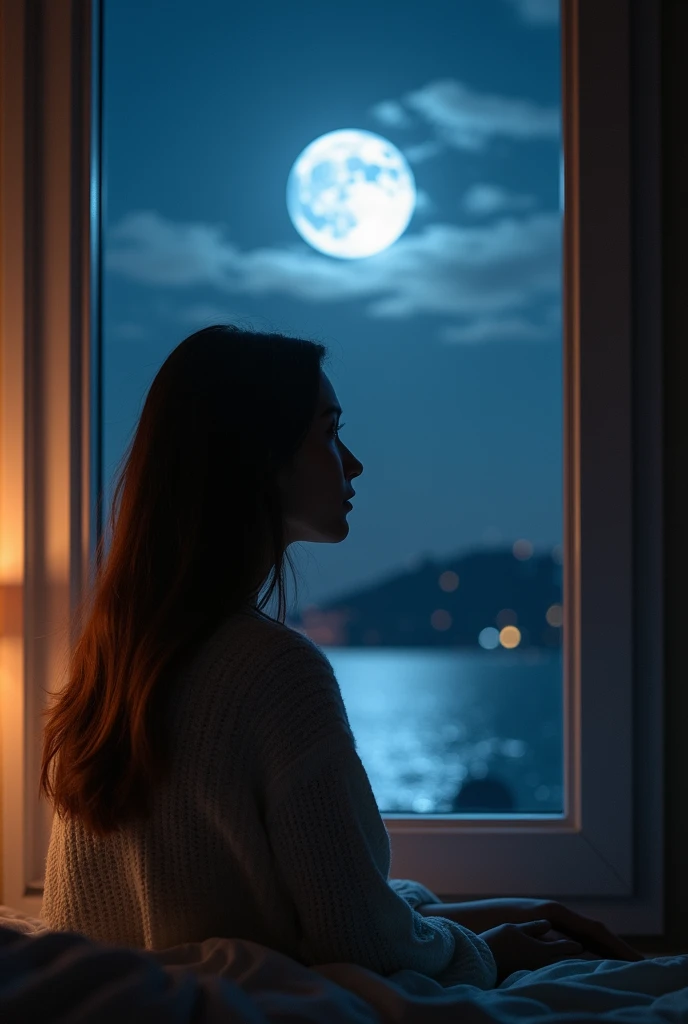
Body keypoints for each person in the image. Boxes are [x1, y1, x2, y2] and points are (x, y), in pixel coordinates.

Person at [39, 325, 642, 989]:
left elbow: (310, 905)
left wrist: (472, 913)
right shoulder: (274, 672)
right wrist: (492, 951)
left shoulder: (115, 670)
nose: (352, 462)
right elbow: (359, 943)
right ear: (260, 457)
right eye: (329, 432)